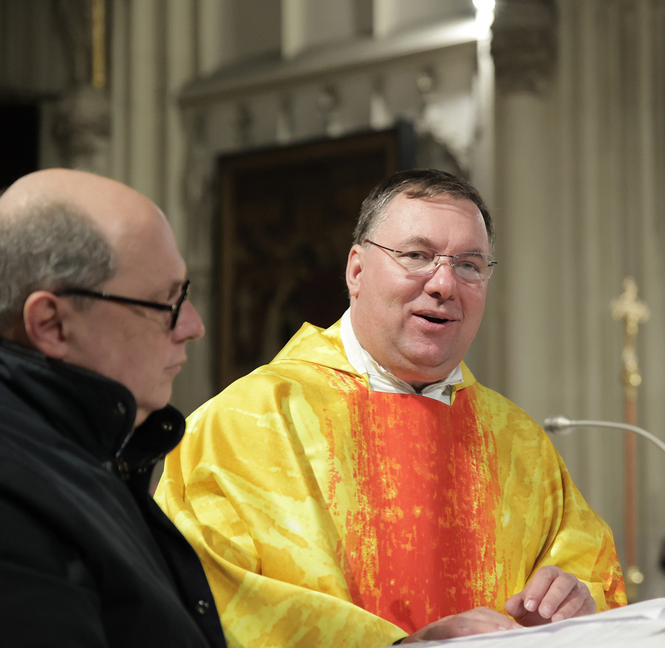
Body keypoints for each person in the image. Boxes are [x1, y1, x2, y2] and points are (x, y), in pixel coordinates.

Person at [156, 169, 627, 647]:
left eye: (469, 265)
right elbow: (201, 594)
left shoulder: (519, 442)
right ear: (356, 271)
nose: (444, 284)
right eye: (417, 256)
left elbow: (595, 581)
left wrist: (577, 607)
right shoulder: (244, 422)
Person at [0, 169, 225, 647]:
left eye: (185, 295)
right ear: (52, 324)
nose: (193, 326)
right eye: (166, 303)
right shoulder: (14, 492)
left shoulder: (93, 449)